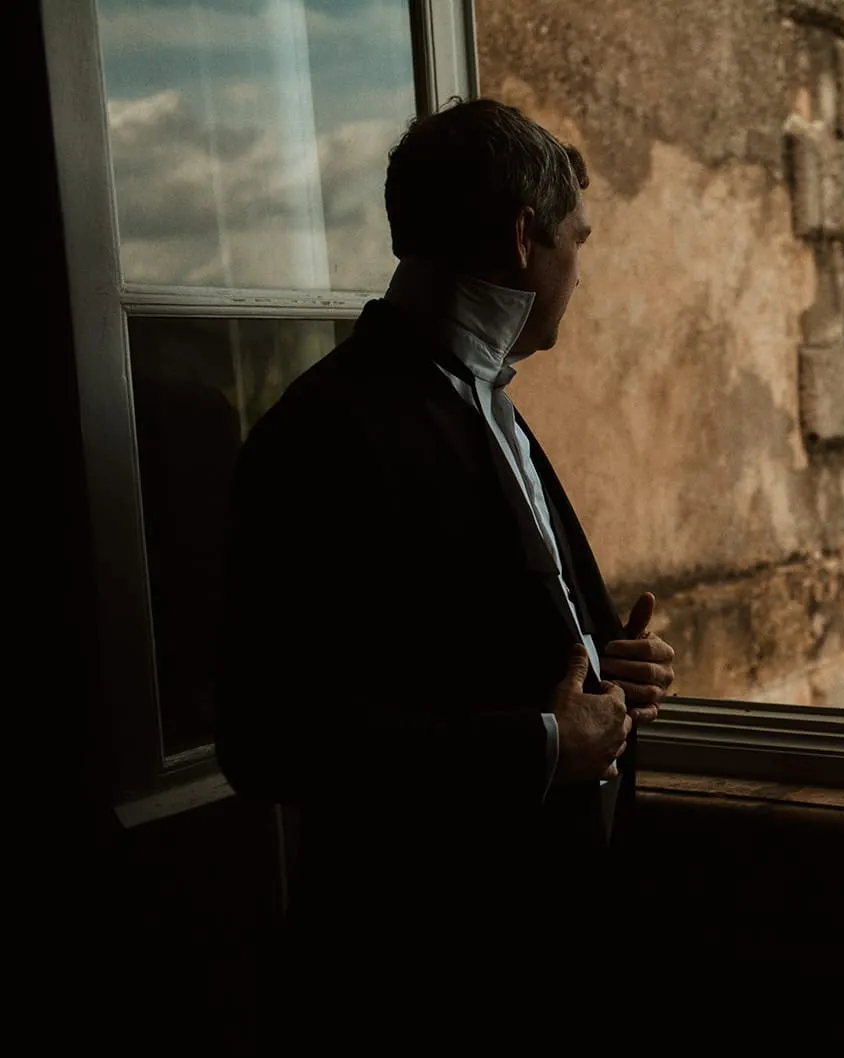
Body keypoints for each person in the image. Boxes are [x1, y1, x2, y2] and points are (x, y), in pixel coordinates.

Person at [215, 98, 676, 1045]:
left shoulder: (485, 408)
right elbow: (269, 737)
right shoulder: (324, 436)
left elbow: (444, 644)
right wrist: (546, 746)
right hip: (419, 983)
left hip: (535, 959)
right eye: (575, 244)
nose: (578, 277)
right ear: (521, 239)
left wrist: (598, 668)